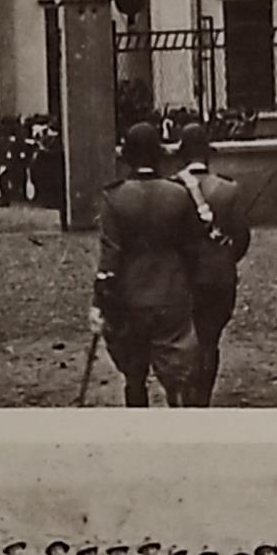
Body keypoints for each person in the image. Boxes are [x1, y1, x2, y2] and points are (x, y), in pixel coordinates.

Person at [91, 122, 203, 409]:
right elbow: (192, 249)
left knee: (134, 374)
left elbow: (110, 256)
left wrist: (99, 301)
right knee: (177, 373)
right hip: (172, 293)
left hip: (130, 298)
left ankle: (138, 426)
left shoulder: (114, 198)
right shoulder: (178, 195)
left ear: (127, 156)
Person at [170, 125, 252, 408]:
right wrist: (222, 261)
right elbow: (242, 239)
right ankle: (202, 399)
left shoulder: (171, 188)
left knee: (181, 340)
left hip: (179, 280)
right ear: (208, 155)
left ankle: (184, 394)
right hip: (218, 278)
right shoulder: (229, 189)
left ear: (182, 155)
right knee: (209, 340)